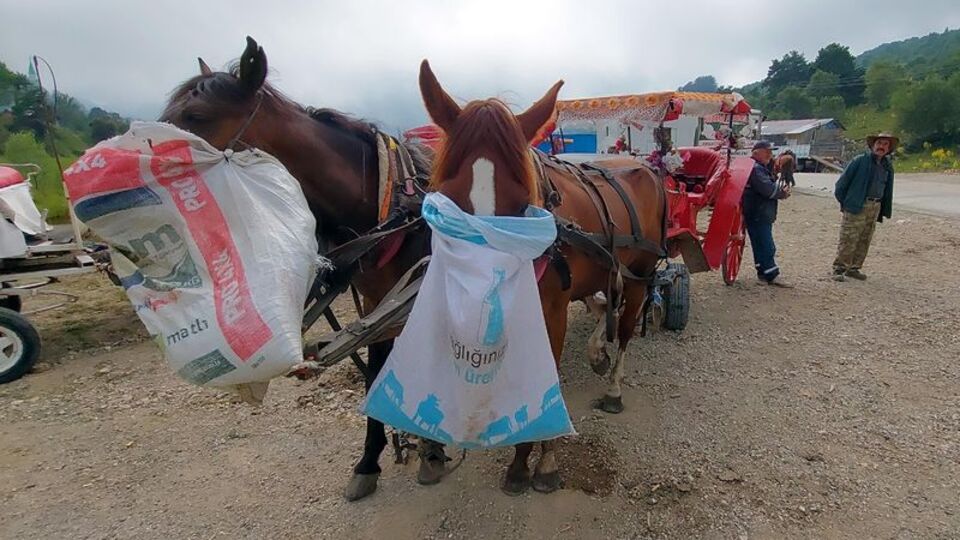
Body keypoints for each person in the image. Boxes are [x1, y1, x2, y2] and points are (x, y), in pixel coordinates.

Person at [832, 133, 897, 282]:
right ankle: (839, 269)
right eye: (879, 143)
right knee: (849, 238)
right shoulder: (859, 161)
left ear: (889, 148)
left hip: (875, 206)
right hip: (857, 206)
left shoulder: (887, 165)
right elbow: (840, 186)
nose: (882, 146)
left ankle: (854, 268)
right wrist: (847, 204)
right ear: (873, 145)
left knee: (864, 239)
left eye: (885, 144)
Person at [742, 140, 792, 287]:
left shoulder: (756, 167)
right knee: (767, 244)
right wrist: (782, 193)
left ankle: (762, 272)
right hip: (759, 211)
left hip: (755, 211)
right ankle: (772, 274)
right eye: (767, 151)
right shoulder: (757, 169)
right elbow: (767, 189)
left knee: (759, 243)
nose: (770, 154)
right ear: (757, 152)